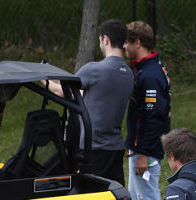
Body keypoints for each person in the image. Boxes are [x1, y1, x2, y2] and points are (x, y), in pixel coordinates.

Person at [49, 19, 133, 185]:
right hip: (115, 146)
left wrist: (43, 80)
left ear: (106, 39)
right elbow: (83, 93)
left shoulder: (94, 69)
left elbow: (65, 93)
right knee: (114, 196)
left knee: (92, 195)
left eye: (100, 40)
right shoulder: (128, 73)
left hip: (93, 147)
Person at [123, 21, 171, 200]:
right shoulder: (146, 68)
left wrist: (143, 153)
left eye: (127, 42)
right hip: (138, 147)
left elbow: (154, 118)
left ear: (137, 43)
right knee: (138, 197)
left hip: (147, 151)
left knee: (147, 198)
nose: (124, 47)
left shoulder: (150, 75)